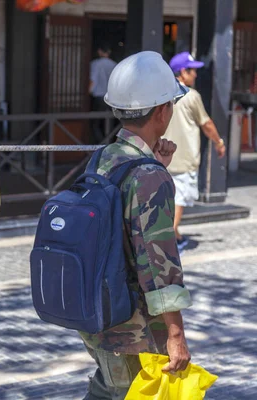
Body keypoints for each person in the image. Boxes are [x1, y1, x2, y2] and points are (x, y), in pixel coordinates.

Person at [79, 51, 192, 399]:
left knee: (109, 388)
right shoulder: (147, 175)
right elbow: (159, 265)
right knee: (122, 391)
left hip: (96, 313)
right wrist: (175, 335)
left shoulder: (104, 157)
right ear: (161, 111)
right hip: (134, 330)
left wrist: (156, 164)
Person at [163, 51, 226, 254]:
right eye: (193, 71)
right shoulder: (191, 96)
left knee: (166, 200)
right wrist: (219, 142)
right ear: (183, 71)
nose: (196, 75)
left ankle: (175, 236)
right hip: (183, 157)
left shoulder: (162, 94)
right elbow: (206, 124)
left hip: (161, 156)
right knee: (179, 199)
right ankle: (171, 239)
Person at [89, 43, 117, 144]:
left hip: (99, 97)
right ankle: (110, 142)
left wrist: (88, 93)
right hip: (111, 98)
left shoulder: (95, 64)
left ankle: (100, 144)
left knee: (95, 124)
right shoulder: (114, 65)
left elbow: (93, 80)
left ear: (99, 51)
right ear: (109, 52)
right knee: (111, 123)